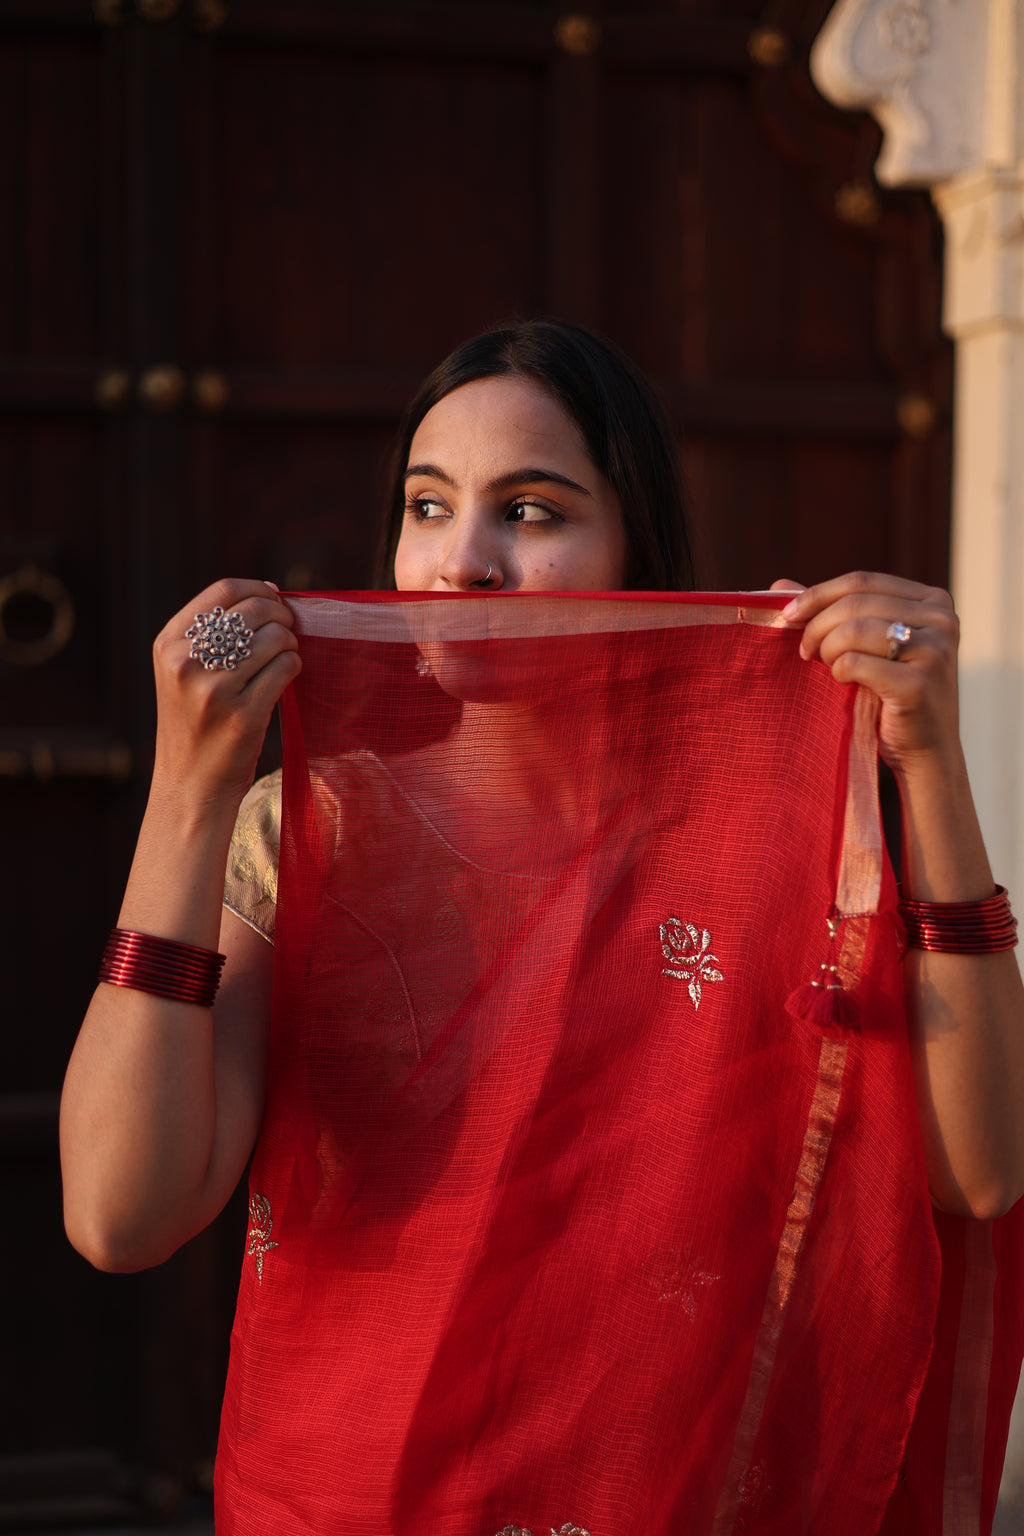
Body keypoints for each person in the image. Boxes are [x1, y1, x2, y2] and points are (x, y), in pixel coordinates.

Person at [60, 321, 1024, 1534]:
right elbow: (119, 1211)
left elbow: (978, 1169)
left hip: (667, 1495)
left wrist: (925, 765)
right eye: (425, 505)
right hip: (355, 1491)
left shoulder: (769, 844)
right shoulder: (313, 837)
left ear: (637, 554)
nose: (459, 562)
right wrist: (187, 791)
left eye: (528, 511)